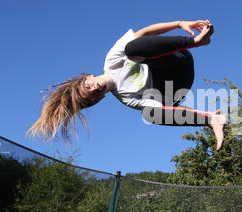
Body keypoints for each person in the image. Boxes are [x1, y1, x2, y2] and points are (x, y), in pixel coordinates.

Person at [27, 20, 227, 150]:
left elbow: (146, 32)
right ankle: (212, 121)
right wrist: (205, 117)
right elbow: (168, 110)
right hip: (177, 84)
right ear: (100, 98)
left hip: (176, 59)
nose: (95, 89)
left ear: (87, 77)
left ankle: (197, 42)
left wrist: (179, 23)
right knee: (149, 114)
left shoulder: (111, 60)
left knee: (132, 49)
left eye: (89, 87)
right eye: (93, 95)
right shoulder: (126, 98)